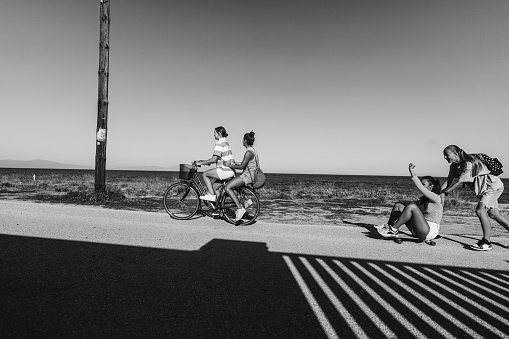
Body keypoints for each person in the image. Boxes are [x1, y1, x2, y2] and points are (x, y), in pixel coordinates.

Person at [441, 145, 509, 251]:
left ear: (455, 154)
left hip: (492, 186)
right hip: (485, 190)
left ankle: (486, 242)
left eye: (447, 155)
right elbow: (449, 180)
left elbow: (460, 181)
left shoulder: (468, 163)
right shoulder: (454, 166)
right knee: (493, 213)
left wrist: (445, 193)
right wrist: (438, 193)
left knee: (480, 211)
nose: (445, 157)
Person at [377, 163, 443, 245]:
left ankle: (393, 229)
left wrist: (411, 171)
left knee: (412, 206)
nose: (422, 186)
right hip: (417, 229)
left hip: (429, 231)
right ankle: (389, 228)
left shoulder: (437, 198)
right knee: (399, 206)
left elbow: (419, 188)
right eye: (421, 184)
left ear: (431, 186)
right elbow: (412, 213)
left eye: (424, 184)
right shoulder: (423, 199)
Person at [193, 126, 235, 202]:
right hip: (230, 170)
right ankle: (219, 209)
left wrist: (201, 163)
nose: (213, 135)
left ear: (219, 133)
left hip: (224, 170)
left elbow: (214, 159)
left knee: (205, 174)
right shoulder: (226, 143)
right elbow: (219, 159)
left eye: (214, 133)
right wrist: (205, 161)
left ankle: (211, 196)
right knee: (215, 187)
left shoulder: (219, 143)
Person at [226, 131, 258, 222]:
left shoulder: (248, 152)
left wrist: (229, 165)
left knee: (227, 187)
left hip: (247, 177)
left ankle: (240, 208)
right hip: (249, 175)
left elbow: (241, 167)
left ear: (245, 141)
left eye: (242, 140)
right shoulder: (253, 150)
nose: (242, 141)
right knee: (234, 183)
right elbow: (245, 164)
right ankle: (246, 200)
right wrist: (235, 163)